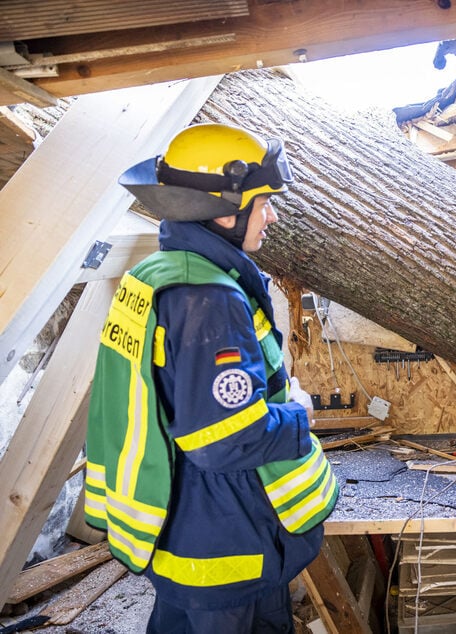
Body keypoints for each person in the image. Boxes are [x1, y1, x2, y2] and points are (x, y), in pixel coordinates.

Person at [84, 123, 339, 633]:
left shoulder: (155, 275)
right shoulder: (209, 299)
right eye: (263, 202)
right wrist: (299, 416)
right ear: (224, 210)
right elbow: (223, 439)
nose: (272, 215)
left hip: (187, 535)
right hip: (228, 543)